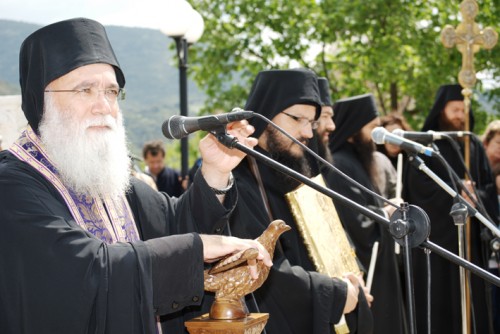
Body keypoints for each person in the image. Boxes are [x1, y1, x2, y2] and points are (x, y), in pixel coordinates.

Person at [0, 18, 273, 334]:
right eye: (84, 90)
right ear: (41, 100)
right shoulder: (12, 186)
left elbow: (171, 223)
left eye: (112, 91)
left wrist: (214, 171)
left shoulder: (104, 178)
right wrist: (196, 248)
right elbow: (86, 270)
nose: (103, 106)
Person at [171, 69, 371, 334]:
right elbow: (263, 271)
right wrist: (334, 294)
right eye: (297, 118)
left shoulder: (291, 171)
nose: (307, 132)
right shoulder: (237, 181)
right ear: (268, 112)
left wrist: (350, 278)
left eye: (311, 122)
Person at [403, 84, 499, 334]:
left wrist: (476, 195)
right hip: (439, 244)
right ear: (441, 110)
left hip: (470, 245)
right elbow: (417, 191)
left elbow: (489, 190)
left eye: (463, 110)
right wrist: (456, 193)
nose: (459, 115)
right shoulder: (425, 145)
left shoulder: (473, 145)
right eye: (454, 109)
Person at [324, 93, 406, 334]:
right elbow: (353, 221)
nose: (376, 134)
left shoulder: (362, 161)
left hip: (382, 262)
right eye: (372, 128)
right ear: (352, 130)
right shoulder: (340, 164)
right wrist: (385, 211)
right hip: (367, 269)